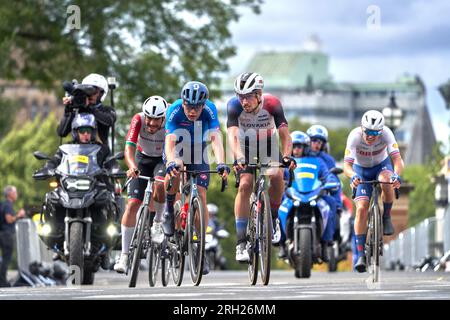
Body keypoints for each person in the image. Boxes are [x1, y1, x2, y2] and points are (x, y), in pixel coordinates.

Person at [227, 72, 295, 262]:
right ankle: (241, 242)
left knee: (276, 175)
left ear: (259, 95)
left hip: (268, 144)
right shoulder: (233, 106)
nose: (244, 101)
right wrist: (239, 157)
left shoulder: (273, 104)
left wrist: (287, 156)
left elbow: (284, 135)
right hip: (244, 146)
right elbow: (232, 135)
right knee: (245, 184)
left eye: (248, 96)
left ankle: (273, 218)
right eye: (240, 96)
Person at [163, 81, 230, 275]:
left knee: (201, 194)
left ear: (203, 105)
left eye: (197, 107)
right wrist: (170, 162)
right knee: (178, 167)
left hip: (198, 150)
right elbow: (169, 142)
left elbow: (216, 139)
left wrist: (221, 163)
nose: (192, 111)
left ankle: (200, 250)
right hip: (177, 147)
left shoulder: (210, 110)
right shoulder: (175, 110)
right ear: (183, 103)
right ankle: (169, 209)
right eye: (189, 107)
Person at [343, 110, 404, 272]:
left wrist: (396, 175)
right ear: (362, 128)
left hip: (381, 165)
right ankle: (361, 253)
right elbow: (346, 166)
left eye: (375, 133)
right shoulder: (354, 136)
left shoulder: (387, 134)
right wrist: (352, 176)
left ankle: (386, 216)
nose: (370, 136)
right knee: (362, 209)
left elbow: (397, 160)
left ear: (381, 131)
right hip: (360, 169)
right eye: (368, 132)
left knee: (387, 180)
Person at [114, 96, 168, 273]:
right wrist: (132, 167)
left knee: (160, 185)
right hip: (142, 159)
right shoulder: (138, 119)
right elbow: (129, 147)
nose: (151, 123)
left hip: (162, 159)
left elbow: (174, 148)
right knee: (132, 204)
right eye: (149, 118)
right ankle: (124, 256)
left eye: (156, 119)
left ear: (163, 118)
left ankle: (158, 223)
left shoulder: (170, 123)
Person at [278, 131, 337, 262]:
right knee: (278, 206)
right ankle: (281, 243)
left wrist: (331, 181)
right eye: (294, 146)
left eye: (299, 146)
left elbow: (327, 175)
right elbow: (279, 177)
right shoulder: (286, 163)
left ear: (305, 147)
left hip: (315, 195)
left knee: (330, 203)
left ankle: (327, 243)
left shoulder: (318, 161)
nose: (296, 149)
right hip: (292, 195)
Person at [57, 73, 116, 147]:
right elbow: (62, 133)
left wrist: (89, 107)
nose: (91, 94)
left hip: (100, 154)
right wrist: (68, 110)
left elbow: (109, 120)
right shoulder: (77, 109)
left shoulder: (107, 110)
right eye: (88, 90)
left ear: (102, 93)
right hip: (75, 153)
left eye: (94, 91)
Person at [0, 186, 26, 287]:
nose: (16, 194)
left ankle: (2, 280)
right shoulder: (8, 205)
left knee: (4, 258)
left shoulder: (2, 204)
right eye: (15, 192)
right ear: (10, 193)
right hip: (7, 235)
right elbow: (9, 219)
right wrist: (19, 215)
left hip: (2, 233)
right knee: (6, 258)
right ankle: (2, 282)